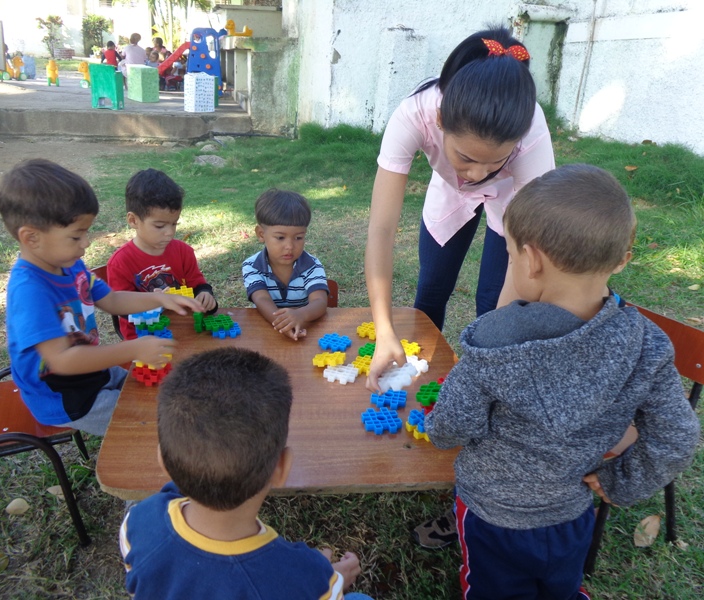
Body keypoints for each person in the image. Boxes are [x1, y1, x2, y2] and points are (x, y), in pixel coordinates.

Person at [424, 164, 700, 599]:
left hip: (492, 516)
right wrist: (619, 482)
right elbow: (678, 437)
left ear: (531, 260)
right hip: (571, 516)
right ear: (622, 260)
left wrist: (435, 427)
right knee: (560, 586)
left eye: (511, 255)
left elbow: (451, 429)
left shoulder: (490, 343)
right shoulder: (647, 344)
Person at [365, 27, 555, 391]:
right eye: (466, 157)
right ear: (440, 123)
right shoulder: (414, 115)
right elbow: (381, 230)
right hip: (448, 192)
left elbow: (526, 255)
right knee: (433, 287)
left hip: (511, 198)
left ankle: (485, 377)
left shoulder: (530, 131)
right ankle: (421, 371)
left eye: (495, 161)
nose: (478, 174)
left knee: (492, 301)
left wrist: (491, 355)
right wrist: (385, 331)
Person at [120, 347, 371, 599]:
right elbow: (316, 588)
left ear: (162, 459)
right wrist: (334, 577)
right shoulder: (303, 574)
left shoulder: (138, 522)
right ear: (281, 469)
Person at [0, 159, 203, 436]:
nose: (86, 243)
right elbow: (63, 361)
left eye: (86, 233)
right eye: (76, 236)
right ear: (31, 238)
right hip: (65, 397)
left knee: (162, 397)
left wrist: (161, 300)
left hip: (93, 371)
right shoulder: (30, 291)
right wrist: (133, 349)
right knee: (154, 426)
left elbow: (113, 301)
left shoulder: (70, 265)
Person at [107, 168, 217, 340]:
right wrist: (154, 302)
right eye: (159, 226)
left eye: (174, 224)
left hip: (183, 329)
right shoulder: (121, 262)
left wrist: (205, 294)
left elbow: (197, 283)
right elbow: (122, 310)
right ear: (133, 220)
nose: (169, 233)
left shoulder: (183, 251)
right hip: (142, 338)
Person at [242, 189, 328, 341]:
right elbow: (261, 299)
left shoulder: (312, 266)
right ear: (261, 234)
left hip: (307, 332)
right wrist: (283, 323)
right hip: (268, 333)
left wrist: (300, 315)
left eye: (298, 237)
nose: (289, 246)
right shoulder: (252, 266)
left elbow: (320, 301)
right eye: (280, 237)